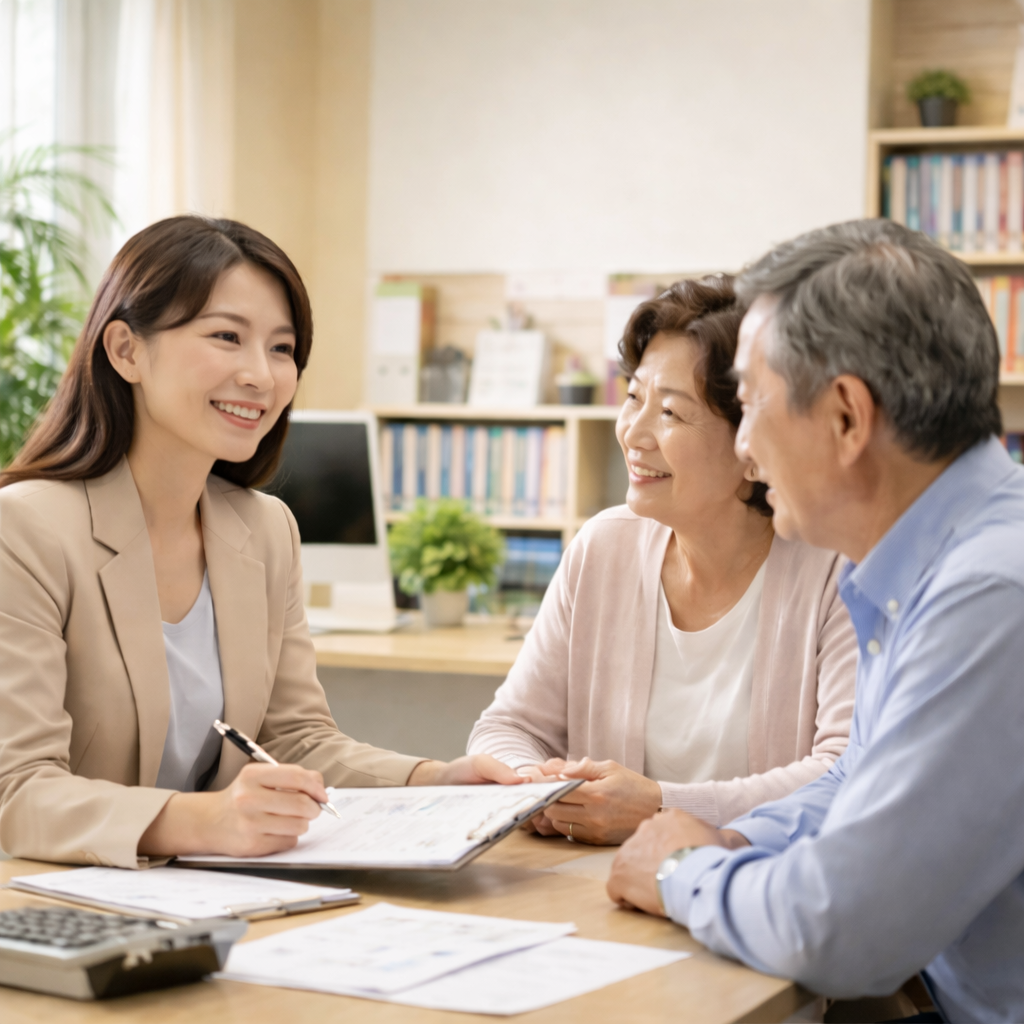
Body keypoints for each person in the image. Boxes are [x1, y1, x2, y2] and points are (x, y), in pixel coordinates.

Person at [0, 216, 519, 870]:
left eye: (282, 348)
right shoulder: (24, 528)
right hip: (52, 902)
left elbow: (294, 739)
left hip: (208, 900)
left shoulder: (266, 529)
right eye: (226, 337)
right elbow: (17, 791)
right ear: (126, 350)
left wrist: (435, 782)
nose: (261, 375)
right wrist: (202, 820)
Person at [607, 219, 1024, 1023]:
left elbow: (843, 928)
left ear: (845, 418)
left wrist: (682, 872)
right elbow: (858, 783)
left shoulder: (989, 595)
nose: (747, 448)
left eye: (753, 405)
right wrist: (736, 845)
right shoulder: (937, 562)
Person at [467, 277, 857, 845]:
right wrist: (539, 788)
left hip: (759, 888)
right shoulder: (604, 546)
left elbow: (844, 771)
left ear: (754, 445)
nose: (633, 433)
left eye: (670, 412)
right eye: (632, 397)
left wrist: (661, 808)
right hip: (601, 888)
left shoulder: (834, 569)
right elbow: (509, 726)